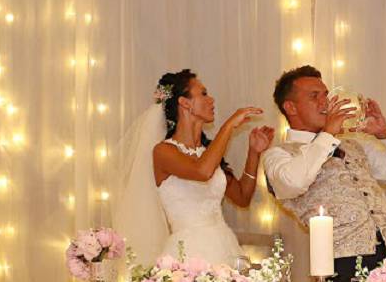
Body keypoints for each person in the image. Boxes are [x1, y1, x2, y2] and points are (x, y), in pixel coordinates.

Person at [262, 66, 386, 282]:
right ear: (290, 107)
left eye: (325, 94)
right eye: (314, 96)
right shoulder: (279, 155)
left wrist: (385, 135)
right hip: (345, 262)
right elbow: (294, 182)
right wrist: (327, 135)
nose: (325, 102)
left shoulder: (354, 145)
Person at [110, 70, 270, 268]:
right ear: (184, 103)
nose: (211, 100)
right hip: (187, 254)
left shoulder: (209, 153)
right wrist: (228, 126)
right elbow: (202, 172)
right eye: (203, 94)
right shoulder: (163, 151)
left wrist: (254, 153)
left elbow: (242, 197)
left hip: (225, 247)